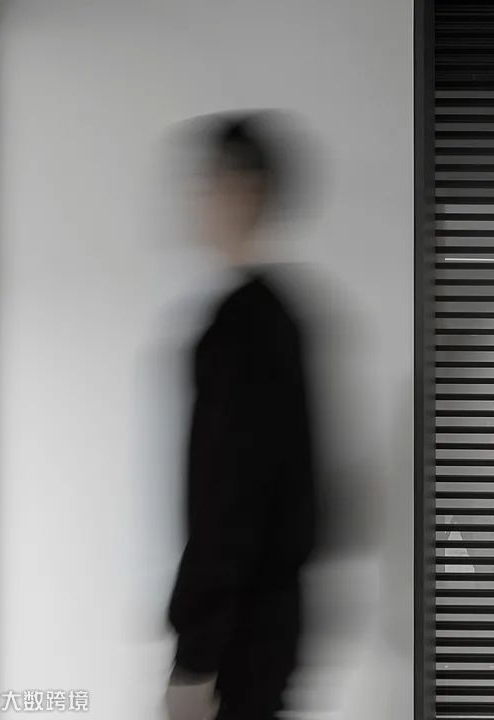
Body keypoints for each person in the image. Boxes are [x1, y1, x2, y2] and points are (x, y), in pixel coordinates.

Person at [165, 114, 314, 720]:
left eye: (208, 181)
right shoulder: (280, 316)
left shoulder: (242, 327)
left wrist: (197, 655)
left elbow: (229, 501)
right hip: (267, 627)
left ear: (245, 190)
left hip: (239, 642)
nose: (197, 197)